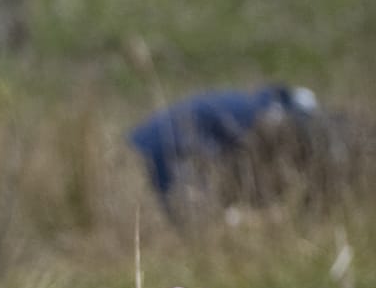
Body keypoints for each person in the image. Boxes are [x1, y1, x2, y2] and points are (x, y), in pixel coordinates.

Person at [129, 84, 321, 206]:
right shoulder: (248, 116)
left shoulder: (243, 104)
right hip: (164, 146)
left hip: (149, 141)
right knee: (180, 207)